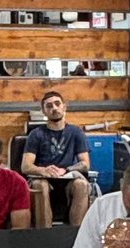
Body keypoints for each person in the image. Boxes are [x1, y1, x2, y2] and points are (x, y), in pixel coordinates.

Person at [21, 90, 92, 226]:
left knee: (81, 185)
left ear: (64, 107)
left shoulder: (76, 132)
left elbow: (85, 164)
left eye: (57, 104)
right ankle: (45, 236)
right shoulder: (36, 134)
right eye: (49, 106)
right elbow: (26, 166)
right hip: (44, 178)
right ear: (43, 111)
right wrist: (43, 170)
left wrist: (66, 170)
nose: (54, 108)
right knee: (39, 185)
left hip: (67, 177)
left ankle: (76, 236)